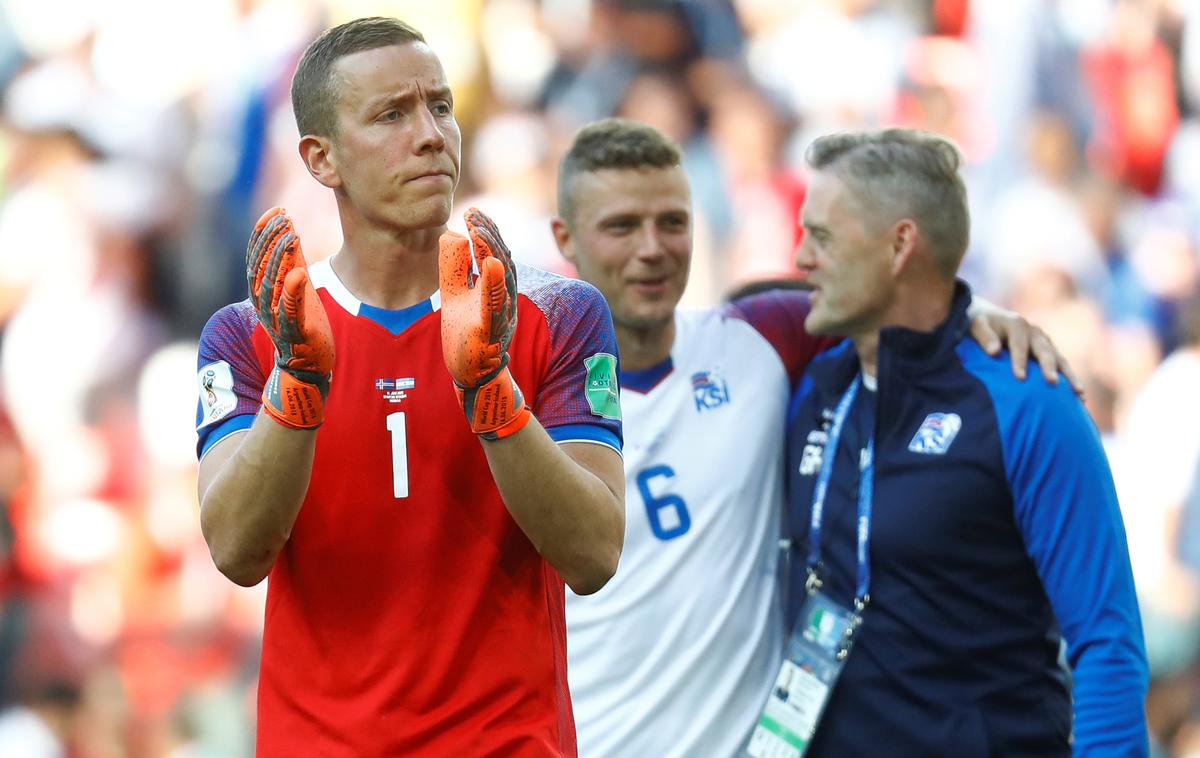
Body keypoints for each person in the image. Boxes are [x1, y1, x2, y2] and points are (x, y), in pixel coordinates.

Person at [552, 118, 1077, 758]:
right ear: (565, 238)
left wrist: (983, 313)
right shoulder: (530, 406)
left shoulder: (758, 340)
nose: (653, 248)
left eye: (673, 221)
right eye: (621, 226)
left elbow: (900, 295)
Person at [193, 17, 625, 756]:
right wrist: (298, 382)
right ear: (320, 158)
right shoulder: (253, 332)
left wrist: (492, 393)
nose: (431, 135)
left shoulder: (555, 313)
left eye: (441, 106)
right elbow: (237, 552)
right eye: (392, 114)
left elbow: (594, 555)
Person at [770, 128, 1147, 757]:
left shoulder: (1027, 402)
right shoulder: (814, 383)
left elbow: (1107, 644)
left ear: (900, 245)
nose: (802, 255)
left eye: (823, 236)